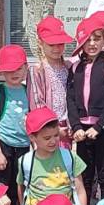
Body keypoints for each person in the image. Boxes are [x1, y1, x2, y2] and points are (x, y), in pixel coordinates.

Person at [67, 16, 104, 202]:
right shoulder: (75, 68)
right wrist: (76, 127)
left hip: (103, 130)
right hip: (82, 132)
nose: (92, 44)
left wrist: (98, 127)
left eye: (97, 38)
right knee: (85, 176)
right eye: (87, 40)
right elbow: (70, 99)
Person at [17, 107, 88, 205]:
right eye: (47, 138)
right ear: (32, 137)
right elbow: (21, 188)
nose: (53, 141)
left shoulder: (70, 158)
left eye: (56, 135)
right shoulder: (26, 161)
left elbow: (80, 190)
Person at [0, 44, 31, 205]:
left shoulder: (28, 90)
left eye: (18, 68)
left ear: (26, 67)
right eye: (9, 69)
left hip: (24, 145)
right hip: (4, 143)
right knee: (1, 185)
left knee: (19, 183)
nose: (15, 73)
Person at [27, 16, 74, 150]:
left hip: (67, 128)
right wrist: (54, 129)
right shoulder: (36, 70)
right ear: (40, 43)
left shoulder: (69, 67)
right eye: (51, 44)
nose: (56, 48)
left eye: (60, 44)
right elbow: (37, 104)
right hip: (46, 130)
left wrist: (72, 125)